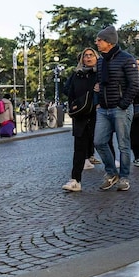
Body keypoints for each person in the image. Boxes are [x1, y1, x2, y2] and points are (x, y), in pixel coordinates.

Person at [93, 25, 139, 192]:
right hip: (103, 109)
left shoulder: (127, 59)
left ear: (109, 42)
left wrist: (123, 104)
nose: (96, 42)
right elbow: (99, 83)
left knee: (123, 145)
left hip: (121, 109)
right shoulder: (100, 61)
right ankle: (112, 173)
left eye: (100, 40)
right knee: (98, 141)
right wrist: (98, 99)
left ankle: (124, 177)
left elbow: (134, 84)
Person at [62, 47, 99, 192]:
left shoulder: (101, 74)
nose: (88, 58)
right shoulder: (76, 75)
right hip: (81, 116)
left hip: (98, 114)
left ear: (96, 58)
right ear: (82, 59)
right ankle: (75, 180)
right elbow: (68, 91)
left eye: (91, 55)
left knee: (103, 144)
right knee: (78, 150)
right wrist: (74, 105)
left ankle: (112, 174)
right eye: (86, 55)